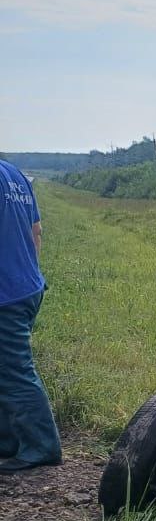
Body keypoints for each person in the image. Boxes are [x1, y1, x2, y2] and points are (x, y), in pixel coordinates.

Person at [0, 160, 61, 474]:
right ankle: (8, 442)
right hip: (25, 287)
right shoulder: (14, 175)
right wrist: (28, 275)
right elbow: (36, 231)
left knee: (14, 373)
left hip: (6, 294)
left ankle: (41, 446)